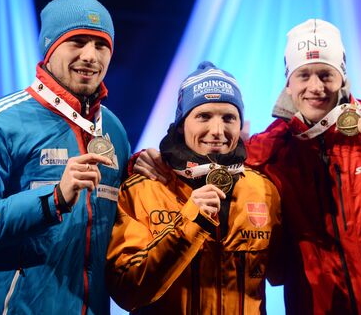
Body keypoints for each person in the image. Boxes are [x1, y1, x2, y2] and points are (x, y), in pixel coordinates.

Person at [132, 20, 361, 314]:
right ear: (289, 82)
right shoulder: (267, 152)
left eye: (326, 74)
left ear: (342, 77)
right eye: (304, 75)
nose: (316, 87)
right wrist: (155, 160)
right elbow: (204, 166)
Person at [0, 0, 131, 314]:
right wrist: (52, 199)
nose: (91, 56)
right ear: (50, 48)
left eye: (101, 45)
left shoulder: (113, 129)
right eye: (77, 41)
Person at [105, 61, 282, 314]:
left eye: (229, 118)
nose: (218, 130)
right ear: (181, 124)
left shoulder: (263, 190)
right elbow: (126, 290)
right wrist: (190, 223)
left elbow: (281, 273)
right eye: (204, 116)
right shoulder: (140, 190)